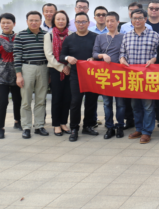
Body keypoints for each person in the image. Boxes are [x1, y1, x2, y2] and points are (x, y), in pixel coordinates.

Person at [120, 8, 159, 144]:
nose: (137, 21)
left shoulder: (154, 35)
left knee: (148, 106)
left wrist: (154, 59)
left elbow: (158, 53)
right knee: (135, 105)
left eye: (140, 18)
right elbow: (122, 53)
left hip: (148, 76)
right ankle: (139, 128)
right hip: (133, 77)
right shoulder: (126, 36)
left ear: (145, 19)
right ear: (131, 20)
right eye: (134, 18)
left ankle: (147, 132)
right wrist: (122, 59)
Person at [60, 12, 99, 142]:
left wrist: (94, 58)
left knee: (91, 101)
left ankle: (88, 125)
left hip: (92, 75)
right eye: (78, 22)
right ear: (74, 23)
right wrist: (68, 58)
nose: (81, 24)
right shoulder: (69, 39)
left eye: (83, 22)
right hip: (76, 75)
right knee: (75, 102)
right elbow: (61, 56)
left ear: (88, 23)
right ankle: (74, 128)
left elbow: (100, 53)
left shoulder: (96, 37)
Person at [14, 11, 48, 139]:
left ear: (41, 21)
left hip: (43, 68)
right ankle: (26, 127)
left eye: (36, 20)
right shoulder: (20, 35)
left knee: (41, 99)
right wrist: (19, 75)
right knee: (26, 100)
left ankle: (39, 126)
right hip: (27, 68)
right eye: (31, 20)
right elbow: (17, 56)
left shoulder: (46, 35)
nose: (34, 22)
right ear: (27, 21)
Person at [93, 11, 125, 139]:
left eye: (112, 21)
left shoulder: (124, 37)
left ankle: (120, 126)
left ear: (118, 22)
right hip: (105, 75)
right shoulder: (100, 37)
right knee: (107, 103)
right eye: (107, 21)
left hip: (120, 75)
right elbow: (95, 53)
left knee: (120, 103)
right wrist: (102, 55)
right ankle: (109, 127)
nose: (109, 23)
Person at [0, 13, 22, 139]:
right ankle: (0, 127)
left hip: (17, 74)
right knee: (2, 101)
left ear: (14, 24)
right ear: (0, 24)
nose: (5, 25)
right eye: (3, 23)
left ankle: (18, 121)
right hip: (1, 75)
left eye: (8, 22)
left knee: (18, 100)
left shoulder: (19, 38)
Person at [43, 10, 72, 137]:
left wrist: (68, 66)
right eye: (58, 19)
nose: (61, 21)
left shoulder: (71, 35)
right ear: (54, 21)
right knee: (57, 98)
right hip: (55, 70)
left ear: (67, 21)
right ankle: (56, 124)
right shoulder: (49, 35)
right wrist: (61, 67)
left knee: (67, 98)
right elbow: (49, 55)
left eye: (63, 19)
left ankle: (63, 123)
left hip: (69, 70)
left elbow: (73, 52)